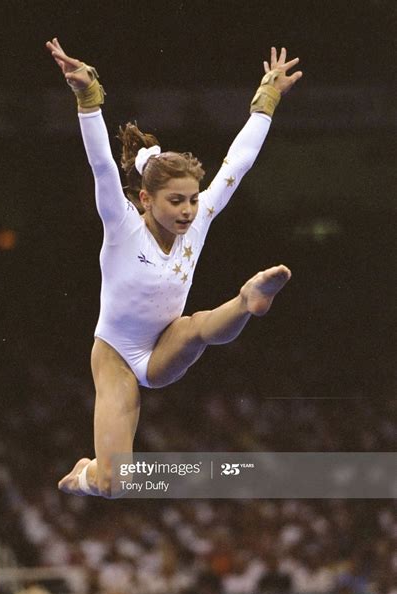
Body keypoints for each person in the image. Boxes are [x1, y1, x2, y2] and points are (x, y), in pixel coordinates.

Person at [46, 39, 302, 498]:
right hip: (117, 359)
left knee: (198, 327)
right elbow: (102, 166)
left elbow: (236, 164)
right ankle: (84, 473)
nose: (188, 211)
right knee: (113, 483)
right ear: (146, 199)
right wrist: (88, 97)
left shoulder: (199, 217)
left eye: (192, 199)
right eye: (175, 201)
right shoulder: (123, 226)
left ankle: (247, 300)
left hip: (165, 347)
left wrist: (267, 100)